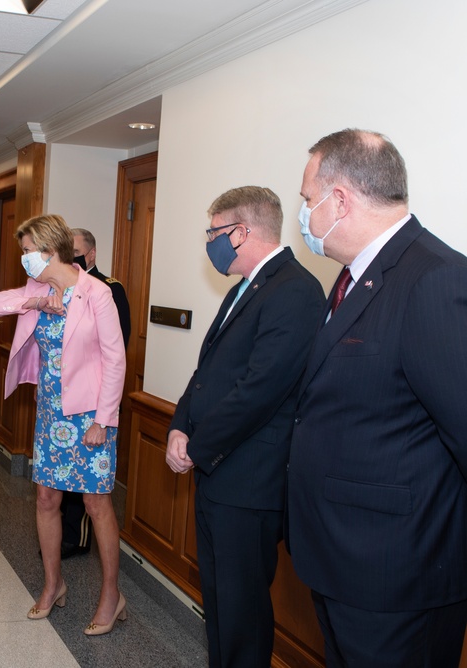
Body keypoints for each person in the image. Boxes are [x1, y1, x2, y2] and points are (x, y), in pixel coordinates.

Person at [288, 129, 467, 667]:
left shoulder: (435, 279)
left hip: (396, 577)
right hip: (340, 561)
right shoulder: (352, 280)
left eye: (306, 200)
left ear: (338, 200)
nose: (305, 215)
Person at [165, 186, 323, 667]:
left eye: (213, 232)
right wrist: (177, 425)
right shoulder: (246, 286)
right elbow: (208, 369)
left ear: (242, 231)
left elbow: (260, 389)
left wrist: (197, 445)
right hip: (219, 472)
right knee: (219, 602)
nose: (209, 242)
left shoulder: (294, 290)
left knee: (241, 611)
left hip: (250, 480)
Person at [0, 214, 126, 636]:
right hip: (51, 413)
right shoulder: (37, 288)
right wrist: (33, 302)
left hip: (91, 416)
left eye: (27, 251)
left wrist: (103, 419)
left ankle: (112, 595)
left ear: (50, 249)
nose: (24, 259)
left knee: (97, 505)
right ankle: (52, 584)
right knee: (45, 500)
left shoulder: (97, 292)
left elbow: (115, 358)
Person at [55, 228, 133, 560]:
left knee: (88, 488)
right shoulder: (58, 288)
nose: (69, 257)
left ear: (91, 254)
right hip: (63, 396)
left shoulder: (108, 289)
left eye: (75, 251)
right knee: (62, 478)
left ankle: (77, 536)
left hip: (94, 398)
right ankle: (63, 533)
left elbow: (117, 348)